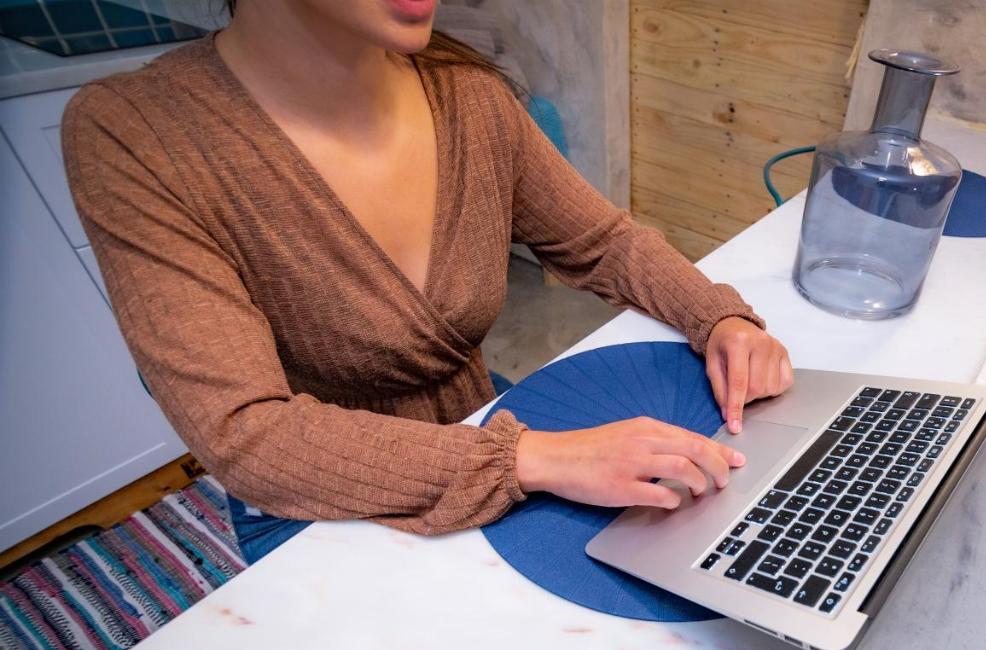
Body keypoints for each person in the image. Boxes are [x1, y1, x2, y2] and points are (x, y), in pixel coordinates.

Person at [62, 0, 794, 553]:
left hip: (485, 433)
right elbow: (249, 437)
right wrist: (537, 457)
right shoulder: (133, 135)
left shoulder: (467, 93)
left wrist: (717, 317)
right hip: (320, 504)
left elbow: (601, 242)